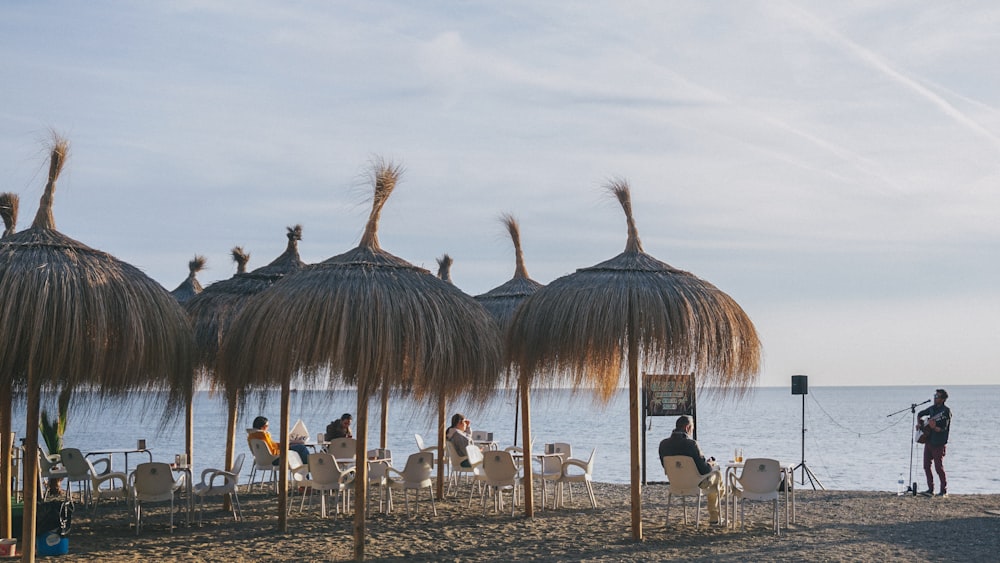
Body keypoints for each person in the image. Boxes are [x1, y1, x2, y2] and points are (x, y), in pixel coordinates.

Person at [659, 415, 724, 524]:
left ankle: (715, 513)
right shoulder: (692, 444)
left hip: (675, 483)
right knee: (718, 476)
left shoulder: (663, 444)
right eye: (692, 428)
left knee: (714, 480)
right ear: (688, 428)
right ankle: (714, 516)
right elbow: (704, 470)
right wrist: (711, 464)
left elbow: (665, 466)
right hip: (695, 484)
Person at [917, 389, 952, 497]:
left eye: (937, 396)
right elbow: (920, 414)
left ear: (942, 399)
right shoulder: (932, 409)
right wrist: (920, 425)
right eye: (934, 395)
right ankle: (930, 489)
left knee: (938, 467)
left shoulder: (946, 411)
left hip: (939, 442)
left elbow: (944, 429)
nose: (935, 398)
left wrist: (935, 427)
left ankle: (943, 490)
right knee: (926, 466)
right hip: (929, 441)